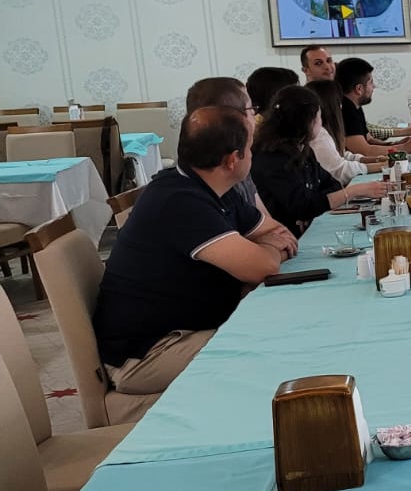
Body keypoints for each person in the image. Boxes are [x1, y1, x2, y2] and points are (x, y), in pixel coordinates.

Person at [91, 105, 287, 395]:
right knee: (274, 351)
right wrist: (269, 248)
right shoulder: (178, 200)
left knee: (282, 328)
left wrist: (265, 247)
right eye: (250, 149)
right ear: (232, 160)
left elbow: (278, 232)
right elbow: (263, 267)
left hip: (187, 329)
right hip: (150, 352)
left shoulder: (213, 188)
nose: (253, 155)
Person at [251, 86, 389, 237]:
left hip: (305, 229)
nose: (321, 123)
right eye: (319, 117)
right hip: (287, 238)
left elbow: (332, 184)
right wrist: (354, 191)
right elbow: (302, 206)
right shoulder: (272, 158)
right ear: (307, 121)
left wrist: (314, 207)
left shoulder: (302, 149)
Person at [185, 77, 296, 258]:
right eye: (251, 109)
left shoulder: (237, 165)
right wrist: (271, 246)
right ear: (232, 117)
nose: (256, 116)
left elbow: (280, 233)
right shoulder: (199, 184)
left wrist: (271, 244)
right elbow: (258, 263)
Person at [336, 57, 411, 158]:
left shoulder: (355, 106)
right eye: (371, 82)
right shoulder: (345, 111)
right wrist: (404, 148)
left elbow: (369, 140)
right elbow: (364, 151)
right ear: (359, 89)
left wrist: (395, 144)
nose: (374, 86)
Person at [307, 79, 382, 185]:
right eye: (340, 102)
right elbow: (340, 171)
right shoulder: (319, 135)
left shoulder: (326, 130)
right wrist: (382, 165)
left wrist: (377, 160)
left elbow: (341, 155)